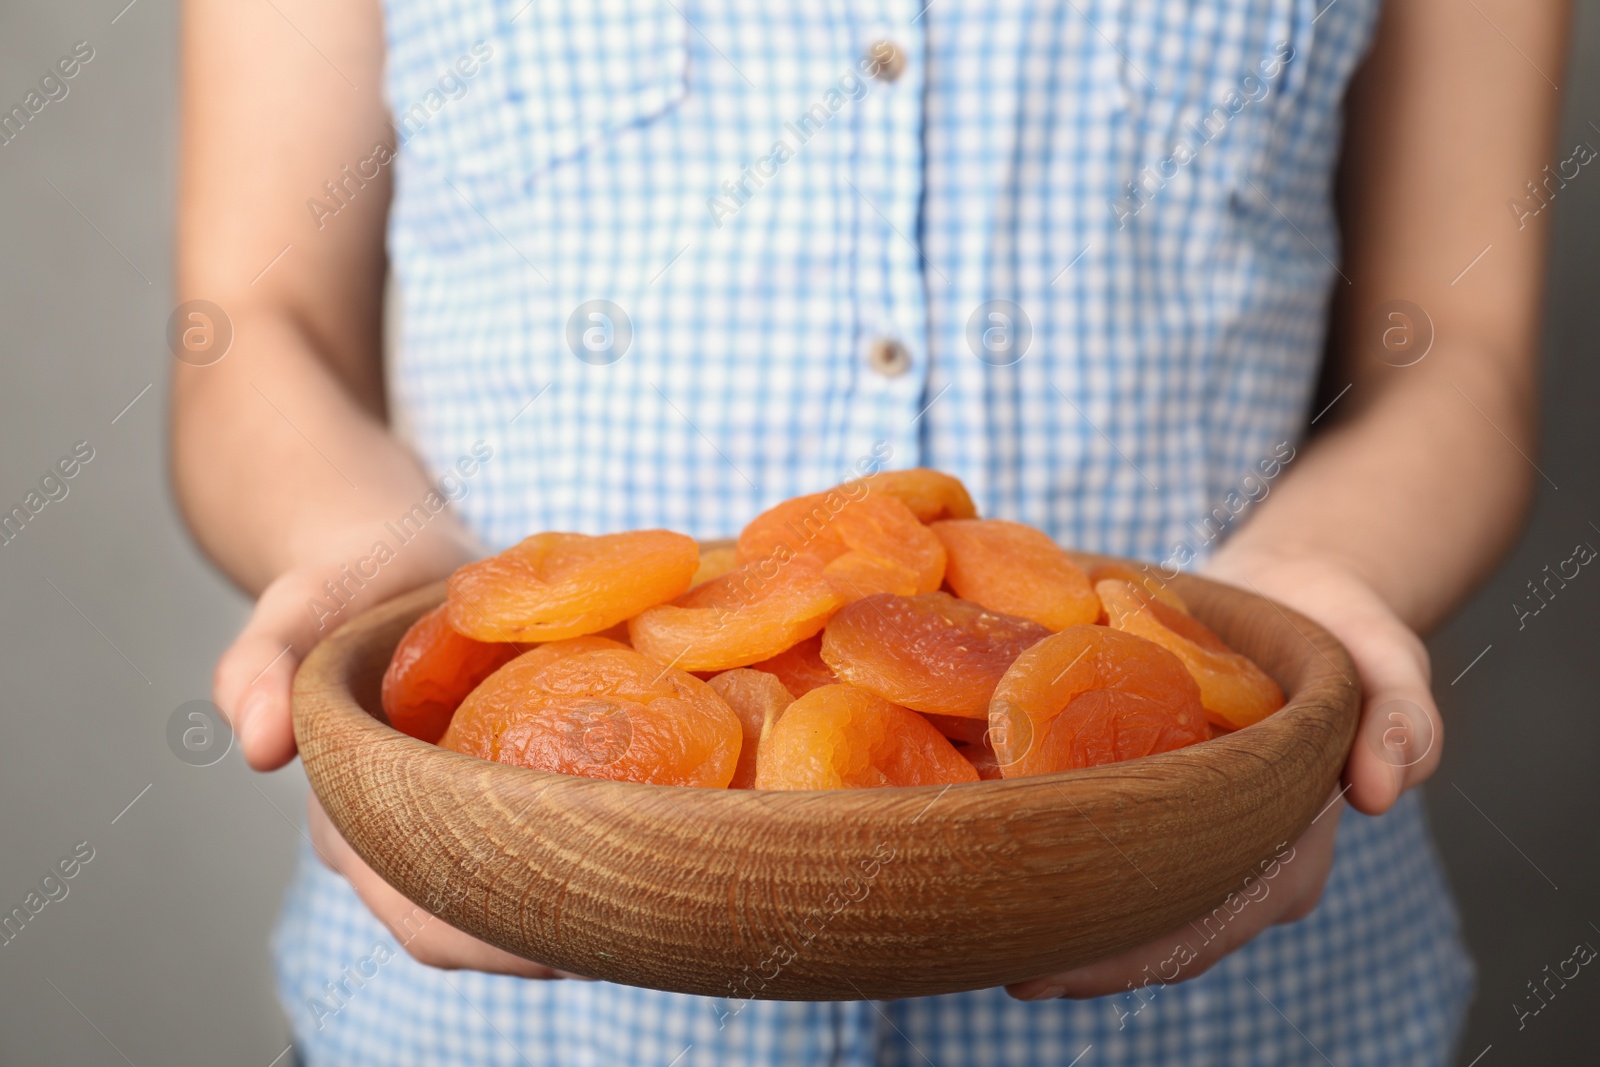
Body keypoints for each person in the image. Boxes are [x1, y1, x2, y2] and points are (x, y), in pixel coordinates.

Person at [172, 0, 1568, 1062]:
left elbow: (1459, 350)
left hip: (1259, 1011)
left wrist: (1312, 605)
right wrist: (385, 586)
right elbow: (251, 328)